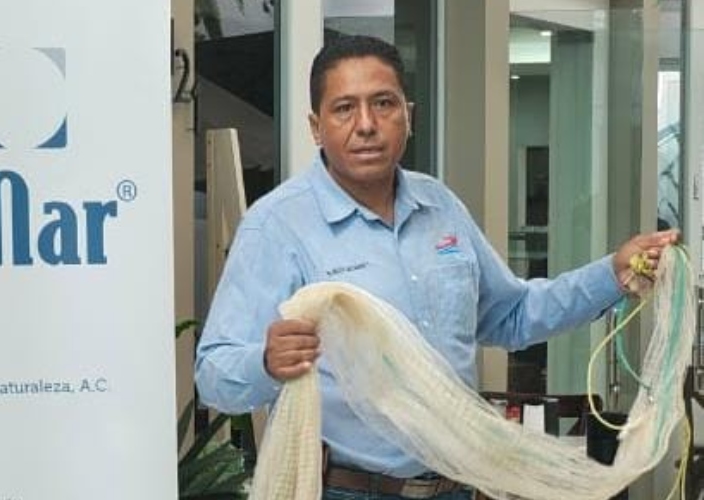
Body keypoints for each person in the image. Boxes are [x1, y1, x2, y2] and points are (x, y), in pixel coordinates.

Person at [194, 34, 678, 500]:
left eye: (383, 103)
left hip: (458, 484)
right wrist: (266, 362)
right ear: (316, 127)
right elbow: (214, 374)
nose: (366, 124)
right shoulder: (277, 225)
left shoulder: (440, 206)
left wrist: (610, 275)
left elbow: (512, 315)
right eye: (344, 108)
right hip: (347, 489)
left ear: (409, 115)